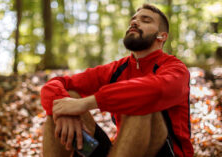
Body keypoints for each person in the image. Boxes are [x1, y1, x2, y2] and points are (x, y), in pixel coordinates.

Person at [41, 3, 194, 157]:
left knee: (141, 103)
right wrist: (65, 111)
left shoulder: (175, 68)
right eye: (133, 20)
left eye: (145, 20)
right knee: (64, 99)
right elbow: (56, 84)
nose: (134, 22)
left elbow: (156, 90)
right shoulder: (116, 69)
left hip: (165, 153)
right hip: (123, 151)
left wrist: (84, 104)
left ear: (161, 36)